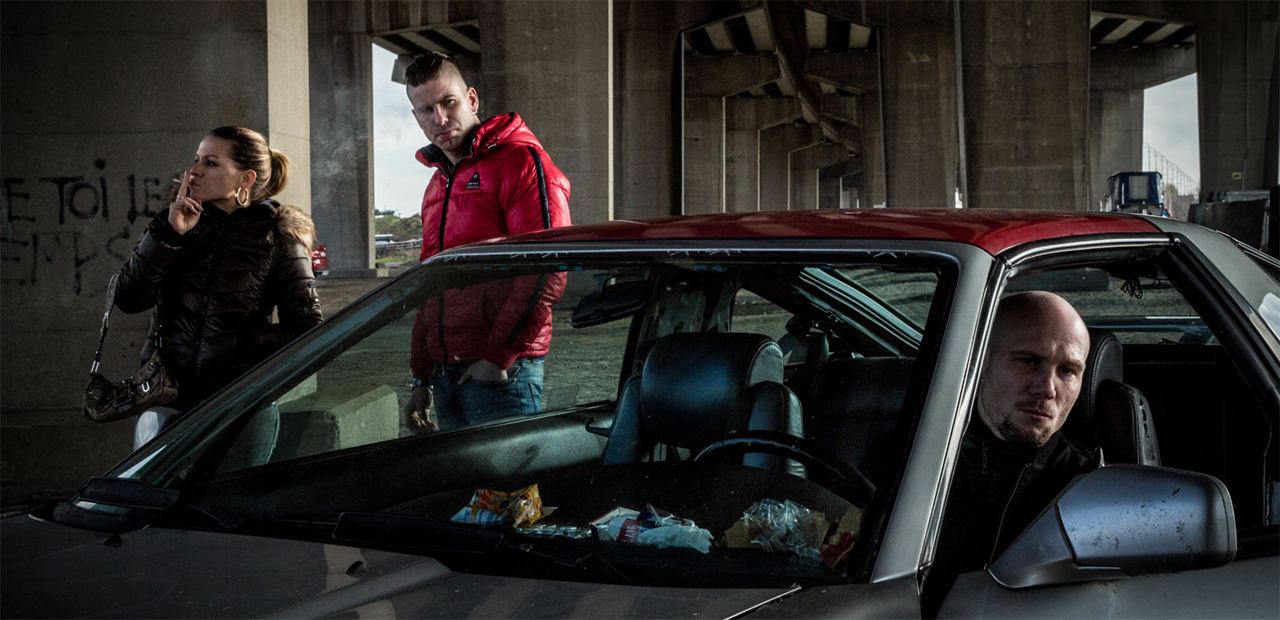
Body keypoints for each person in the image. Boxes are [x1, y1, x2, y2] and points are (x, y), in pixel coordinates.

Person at [114, 126, 323, 447]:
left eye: (210, 163)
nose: (193, 171)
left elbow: (308, 330)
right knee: (159, 496)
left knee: (232, 496)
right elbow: (129, 299)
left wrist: (244, 341)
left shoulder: (279, 237)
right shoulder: (172, 225)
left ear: (245, 179)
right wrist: (170, 236)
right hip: (168, 398)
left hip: (241, 404)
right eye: (196, 160)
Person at [401, 52, 571, 431]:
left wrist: (497, 359)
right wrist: (421, 377)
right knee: (467, 490)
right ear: (417, 118)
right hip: (447, 373)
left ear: (472, 100)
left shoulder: (522, 163)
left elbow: (546, 266)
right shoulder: (437, 185)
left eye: (449, 103)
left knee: (508, 490)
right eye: (427, 110)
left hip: (501, 373)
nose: (440, 119)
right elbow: (430, 285)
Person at [923, 291, 1101, 615]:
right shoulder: (909, 457)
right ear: (981, 360)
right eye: (1029, 361)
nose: (1047, 388)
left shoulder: (1086, 490)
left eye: (1067, 371)